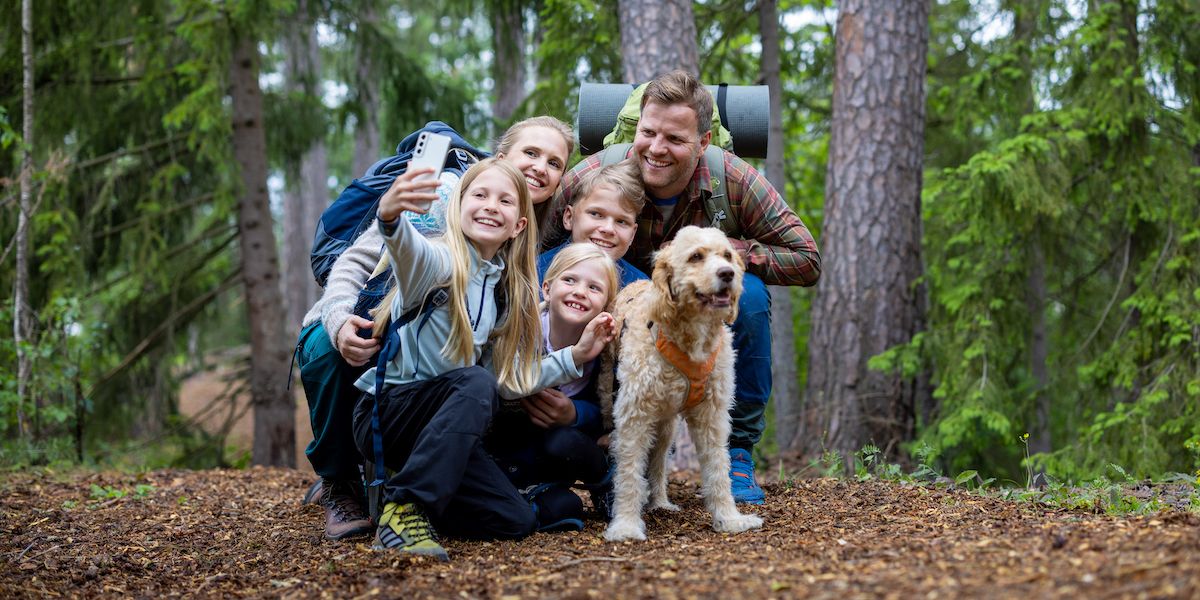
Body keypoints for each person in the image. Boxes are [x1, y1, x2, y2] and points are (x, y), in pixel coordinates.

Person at [543, 70, 822, 505]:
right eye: (648, 132)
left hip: (691, 314)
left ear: (703, 142)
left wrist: (724, 255)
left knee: (744, 296)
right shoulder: (596, 175)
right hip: (613, 303)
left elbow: (806, 259)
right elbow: (535, 250)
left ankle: (738, 454)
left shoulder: (734, 180)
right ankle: (585, 443)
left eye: (674, 138)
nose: (656, 149)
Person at [295, 117, 574, 541]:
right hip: (387, 344)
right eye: (530, 153)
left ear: (557, 183)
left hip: (449, 382)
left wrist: (578, 356)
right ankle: (349, 485)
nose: (540, 167)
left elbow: (503, 368)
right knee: (463, 380)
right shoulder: (448, 196)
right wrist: (337, 320)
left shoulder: (525, 244)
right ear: (500, 158)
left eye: (554, 162)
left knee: (517, 521)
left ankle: (415, 494)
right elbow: (383, 254)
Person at [353, 158, 614, 559]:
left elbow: (506, 382)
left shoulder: (500, 290)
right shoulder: (438, 263)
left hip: (444, 430)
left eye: (506, 201)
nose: (492, 205)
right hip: (390, 413)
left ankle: (405, 499)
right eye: (480, 195)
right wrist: (390, 216)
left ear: (519, 225)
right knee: (475, 383)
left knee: (516, 520)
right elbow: (407, 249)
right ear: (458, 208)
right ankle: (406, 508)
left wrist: (575, 356)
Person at [488, 243, 622, 527]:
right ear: (547, 289)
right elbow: (504, 383)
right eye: (569, 280)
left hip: (560, 448)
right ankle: (523, 498)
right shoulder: (523, 330)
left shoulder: (605, 352)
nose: (580, 291)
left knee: (564, 443)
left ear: (607, 304)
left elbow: (610, 412)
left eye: (594, 288)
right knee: (565, 507)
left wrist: (576, 413)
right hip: (508, 441)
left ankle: (605, 483)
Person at [537, 158, 648, 287]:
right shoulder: (533, 273)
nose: (608, 229)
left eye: (621, 221)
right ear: (569, 217)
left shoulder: (641, 289)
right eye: (596, 214)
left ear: (632, 235)